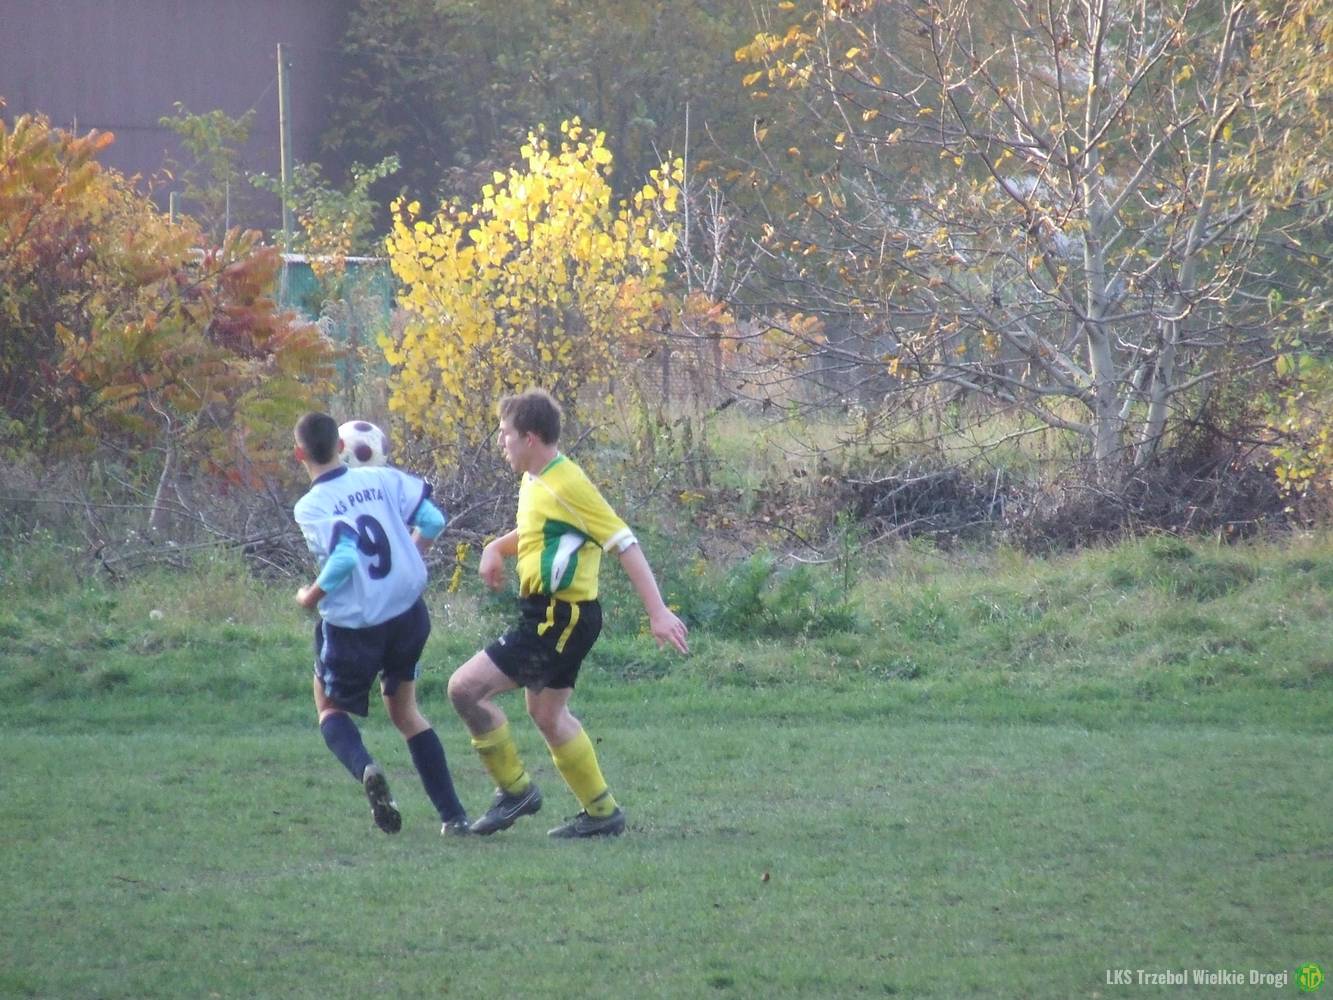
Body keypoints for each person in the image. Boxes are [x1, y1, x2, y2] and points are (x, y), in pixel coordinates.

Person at [448, 389, 689, 838]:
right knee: (547, 714)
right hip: (553, 615)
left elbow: (623, 541)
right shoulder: (536, 479)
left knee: (465, 689)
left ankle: (515, 791)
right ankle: (602, 814)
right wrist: (496, 547)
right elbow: (539, 530)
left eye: (506, 434)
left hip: (560, 618)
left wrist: (658, 612)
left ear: (531, 438)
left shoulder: (567, 483)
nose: (501, 442)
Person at [291, 411, 470, 836]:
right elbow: (433, 521)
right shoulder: (381, 478)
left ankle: (367, 768)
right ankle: (454, 817)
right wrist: (410, 554)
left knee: (329, 708)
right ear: (340, 447)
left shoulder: (311, 506)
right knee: (406, 712)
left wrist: (310, 596)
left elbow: (344, 557)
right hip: (408, 614)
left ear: (299, 454)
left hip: (355, 625)